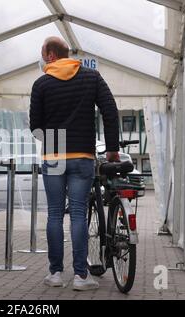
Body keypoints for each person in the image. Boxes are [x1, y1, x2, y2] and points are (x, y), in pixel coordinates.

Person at [30, 37, 120, 290]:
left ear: (49, 55)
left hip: (54, 155)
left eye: (41, 52)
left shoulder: (41, 84)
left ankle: (56, 274)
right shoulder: (92, 77)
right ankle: (81, 276)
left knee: (55, 214)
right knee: (79, 213)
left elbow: (35, 126)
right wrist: (112, 148)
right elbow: (110, 110)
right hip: (82, 155)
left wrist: (52, 142)